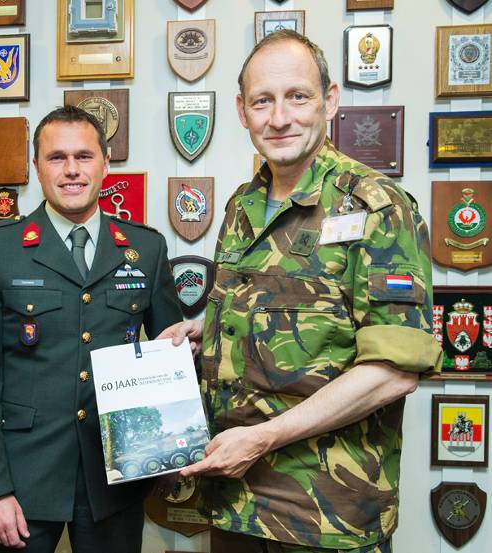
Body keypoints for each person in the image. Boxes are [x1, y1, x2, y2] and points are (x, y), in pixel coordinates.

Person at [158, 30, 442, 553]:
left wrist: (261, 438)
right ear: (242, 112)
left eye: (298, 96)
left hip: (326, 519)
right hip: (235, 505)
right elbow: (289, 310)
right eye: (263, 101)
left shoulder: (375, 207)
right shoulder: (242, 206)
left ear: (329, 101)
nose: (280, 118)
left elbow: (393, 371)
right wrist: (208, 331)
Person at [0, 106, 183, 553]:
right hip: (21, 480)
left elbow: (168, 355)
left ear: (106, 164)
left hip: (117, 476)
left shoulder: (146, 248)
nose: (72, 170)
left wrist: (167, 449)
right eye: (56, 157)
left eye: (84, 156)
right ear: (35, 167)